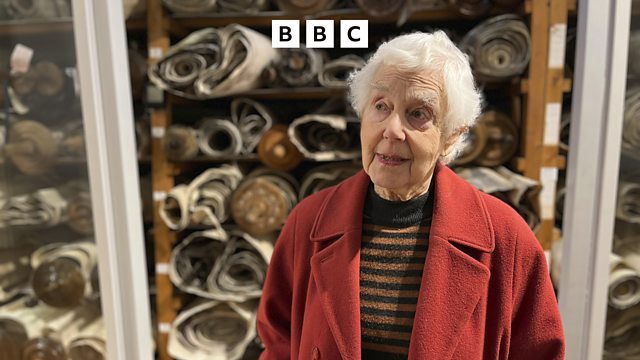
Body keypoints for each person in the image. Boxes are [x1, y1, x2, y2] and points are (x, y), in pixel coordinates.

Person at [256, 31, 565, 360]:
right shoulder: (309, 221)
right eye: (381, 106)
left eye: (418, 114)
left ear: (450, 138)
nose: (391, 129)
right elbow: (279, 341)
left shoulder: (507, 239)